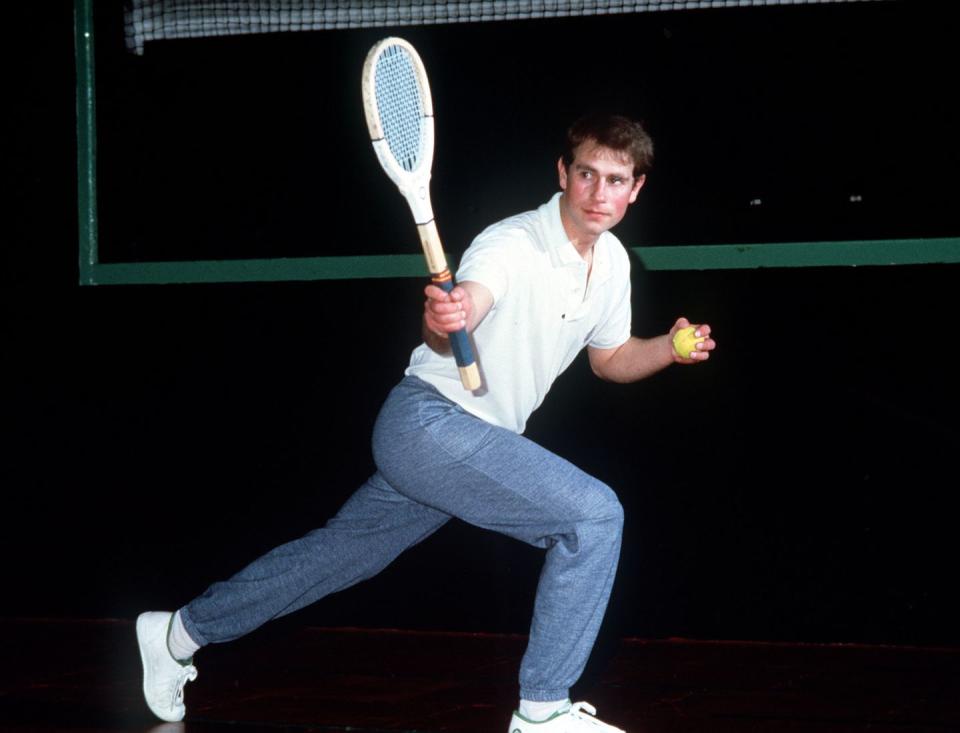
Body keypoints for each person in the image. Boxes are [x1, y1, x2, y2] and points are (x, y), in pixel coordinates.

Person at [136, 112, 716, 733]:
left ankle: (178, 632)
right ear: (563, 174)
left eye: (616, 180)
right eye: (587, 174)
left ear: (636, 189)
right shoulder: (512, 243)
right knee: (593, 515)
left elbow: (610, 360)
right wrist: (448, 320)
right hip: (429, 423)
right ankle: (542, 708)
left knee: (338, 557)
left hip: (468, 443)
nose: (600, 194)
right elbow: (464, 310)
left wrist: (668, 349)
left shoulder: (613, 262)